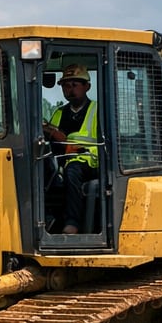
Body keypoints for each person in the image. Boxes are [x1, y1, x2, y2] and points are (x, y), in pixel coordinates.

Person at [42, 64, 98, 234]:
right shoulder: (59, 112)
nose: (70, 90)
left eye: (75, 85)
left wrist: (71, 146)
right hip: (64, 161)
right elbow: (53, 140)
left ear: (87, 86)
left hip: (91, 160)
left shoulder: (97, 110)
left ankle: (72, 224)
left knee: (72, 172)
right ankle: (47, 219)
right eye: (66, 86)